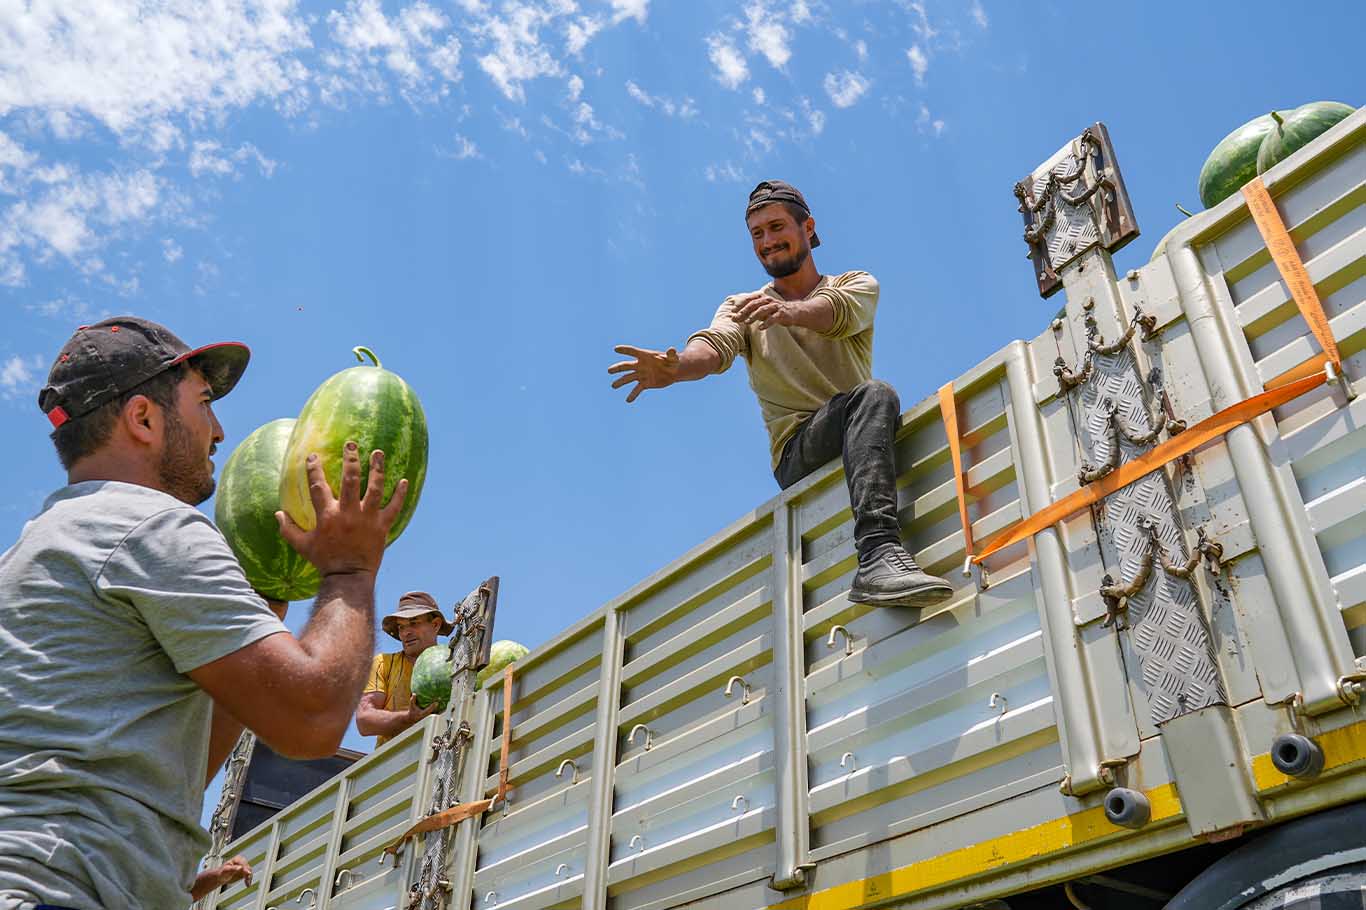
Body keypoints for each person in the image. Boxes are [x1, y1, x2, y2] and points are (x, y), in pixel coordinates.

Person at [0, 316, 409, 910]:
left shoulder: (40, 545)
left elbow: (140, 757)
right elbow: (313, 720)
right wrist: (349, 570)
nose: (218, 432)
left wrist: (159, 874)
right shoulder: (148, 526)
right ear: (143, 418)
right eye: (204, 404)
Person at [609, 180, 953, 607]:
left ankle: (881, 555)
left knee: (873, 396)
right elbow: (715, 347)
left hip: (854, 427)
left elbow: (836, 313)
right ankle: (878, 557)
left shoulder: (856, 283)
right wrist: (677, 367)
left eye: (776, 227)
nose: (767, 241)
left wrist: (788, 312)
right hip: (797, 450)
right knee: (874, 396)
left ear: (807, 228)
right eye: (757, 234)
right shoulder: (742, 306)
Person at [355, 591, 452, 747]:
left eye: (414, 623)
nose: (406, 633)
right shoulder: (382, 663)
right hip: (394, 764)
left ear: (435, 624)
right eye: (401, 627)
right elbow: (364, 720)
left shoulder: (454, 662)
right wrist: (408, 718)